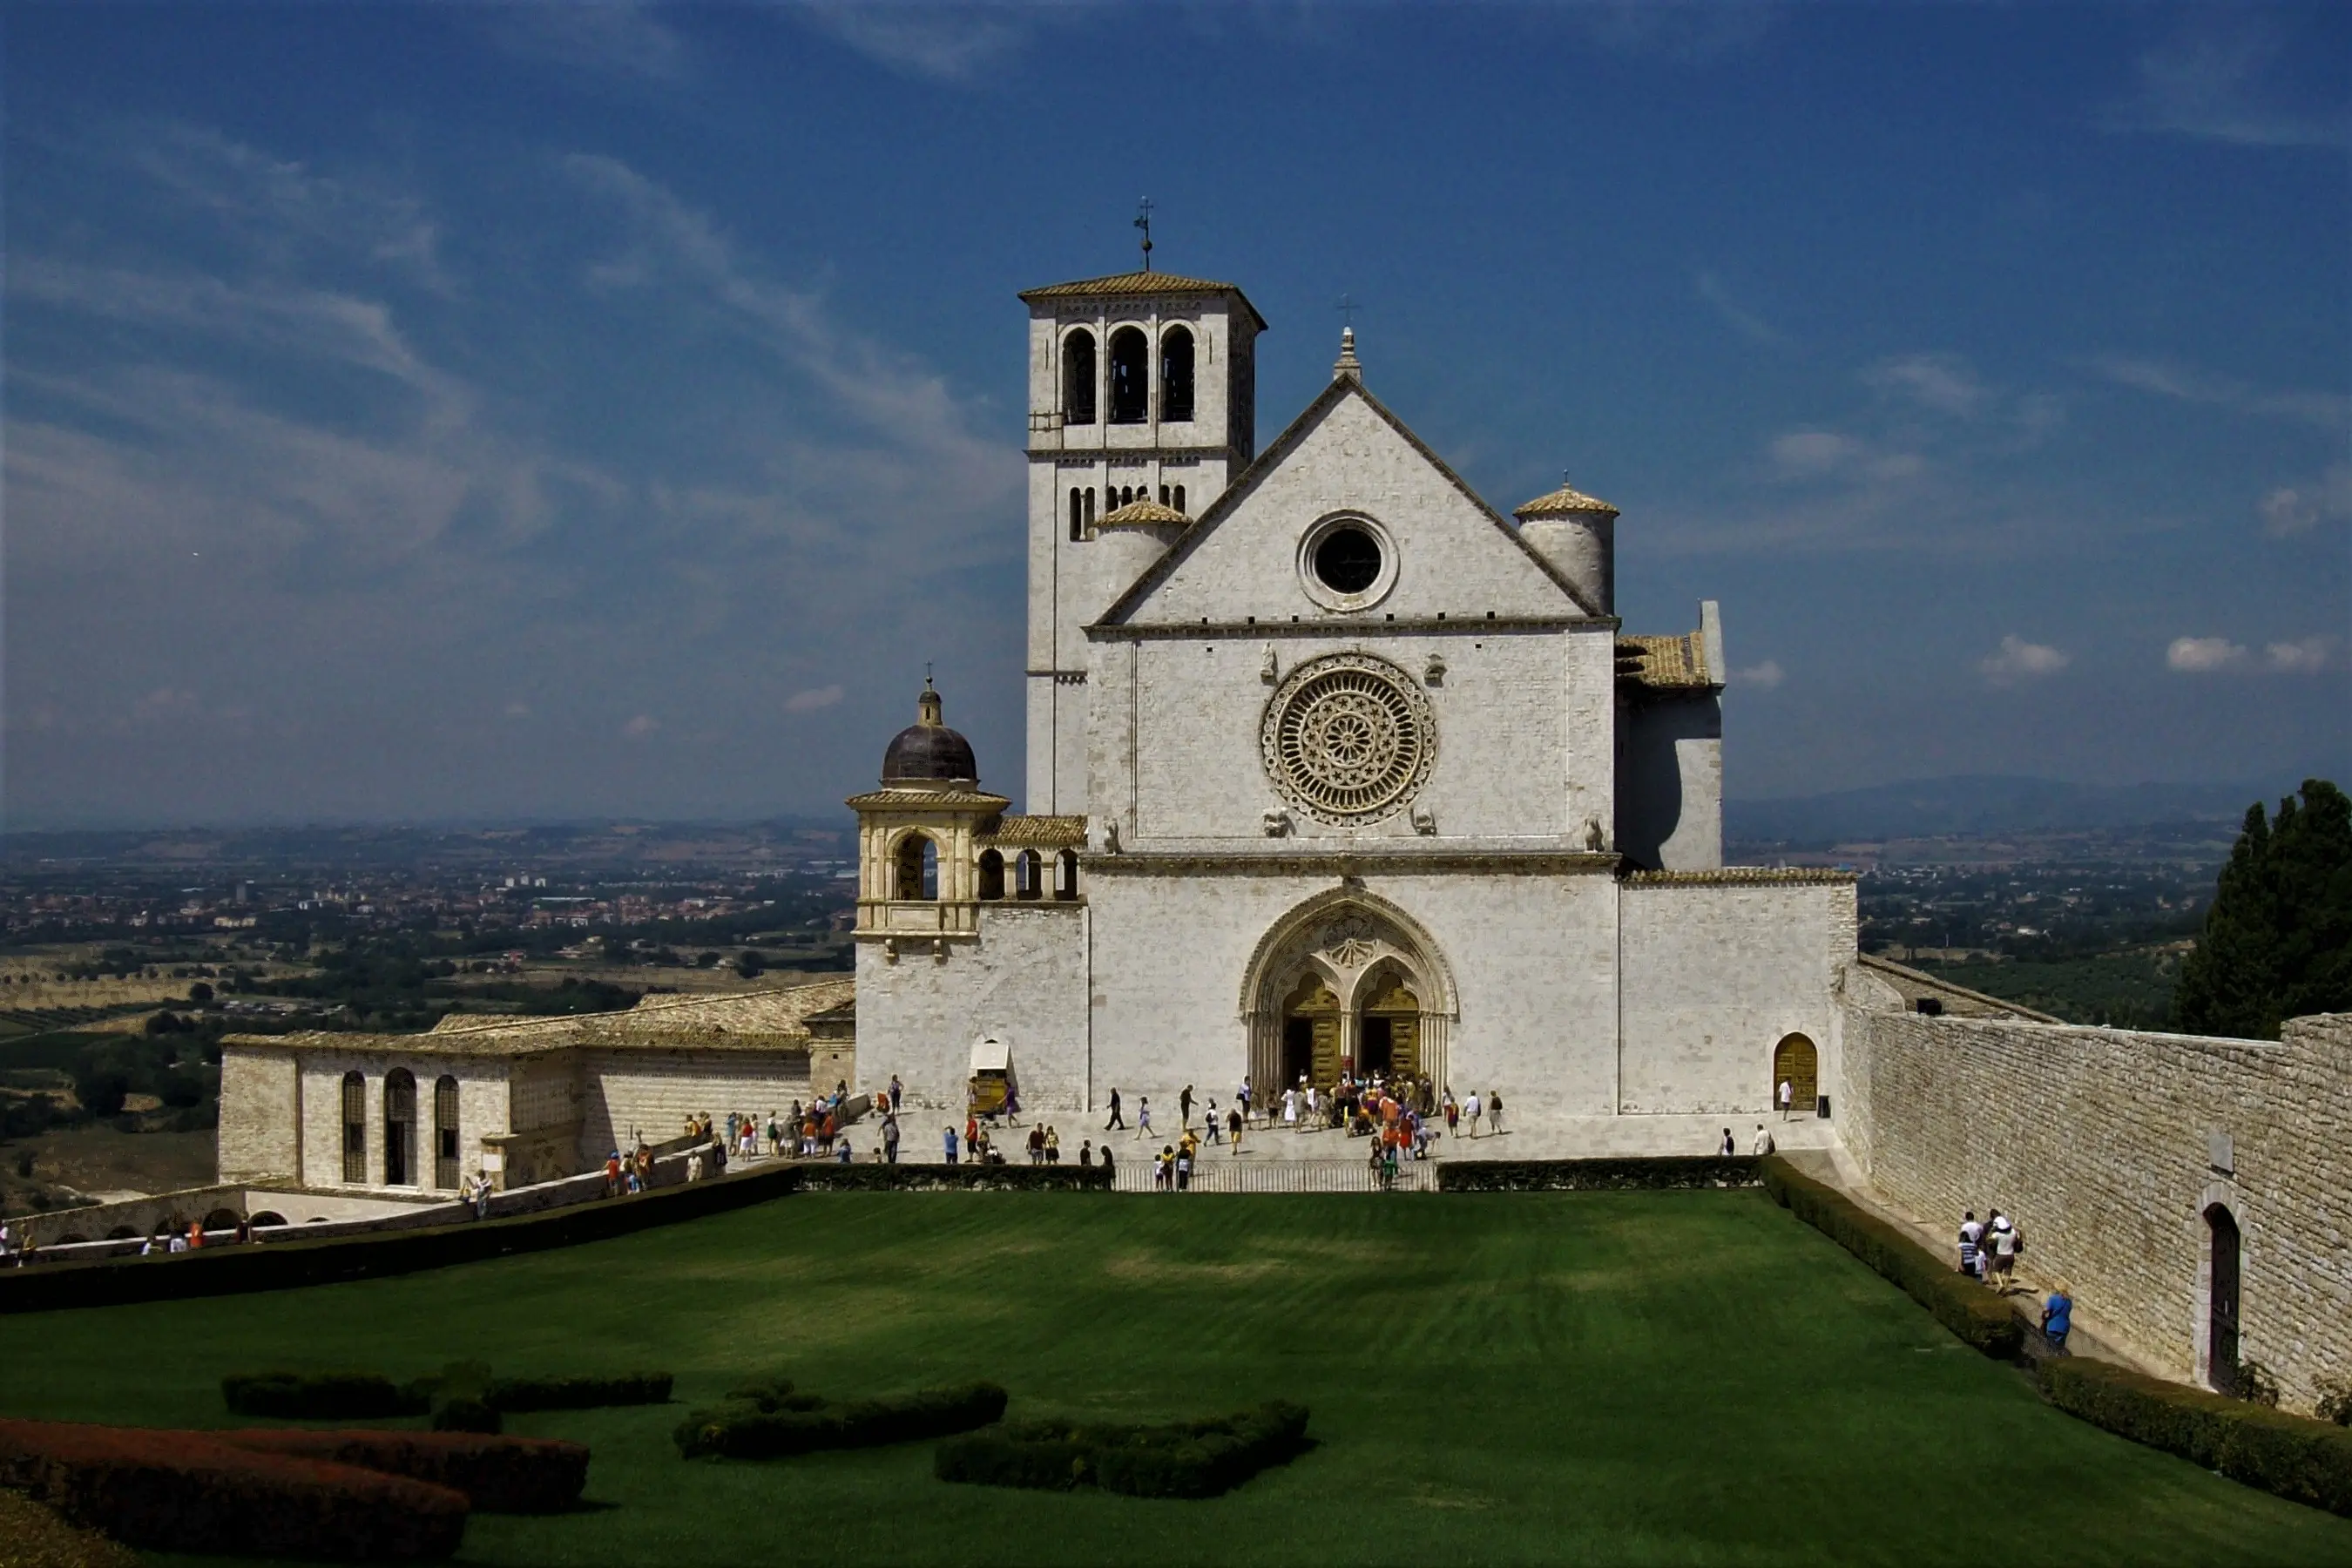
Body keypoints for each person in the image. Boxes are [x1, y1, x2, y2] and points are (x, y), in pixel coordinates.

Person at [2041, 1284, 2073, 1353]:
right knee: (2059, 1349)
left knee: (2049, 1348)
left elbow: (2046, 1310)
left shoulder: (2053, 1299)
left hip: (2052, 1327)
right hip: (2064, 1329)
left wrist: (2043, 1316)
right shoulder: (2069, 1302)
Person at [1958, 1211, 1985, 1279]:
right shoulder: (1978, 1226)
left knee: (1965, 1260)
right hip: (1975, 1245)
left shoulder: (1964, 1226)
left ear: (1966, 1218)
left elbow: (1962, 1236)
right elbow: (1981, 1237)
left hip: (1965, 1246)